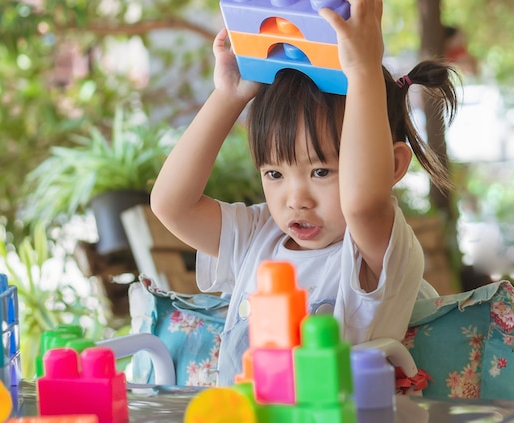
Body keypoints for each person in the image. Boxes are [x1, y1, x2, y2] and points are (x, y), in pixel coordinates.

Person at [151, 0, 459, 386]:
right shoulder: (257, 236)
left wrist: (363, 71)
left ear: (394, 166)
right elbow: (171, 205)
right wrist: (228, 96)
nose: (296, 199)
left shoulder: (373, 251)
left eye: (320, 171)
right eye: (275, 173)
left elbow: (362, 202)